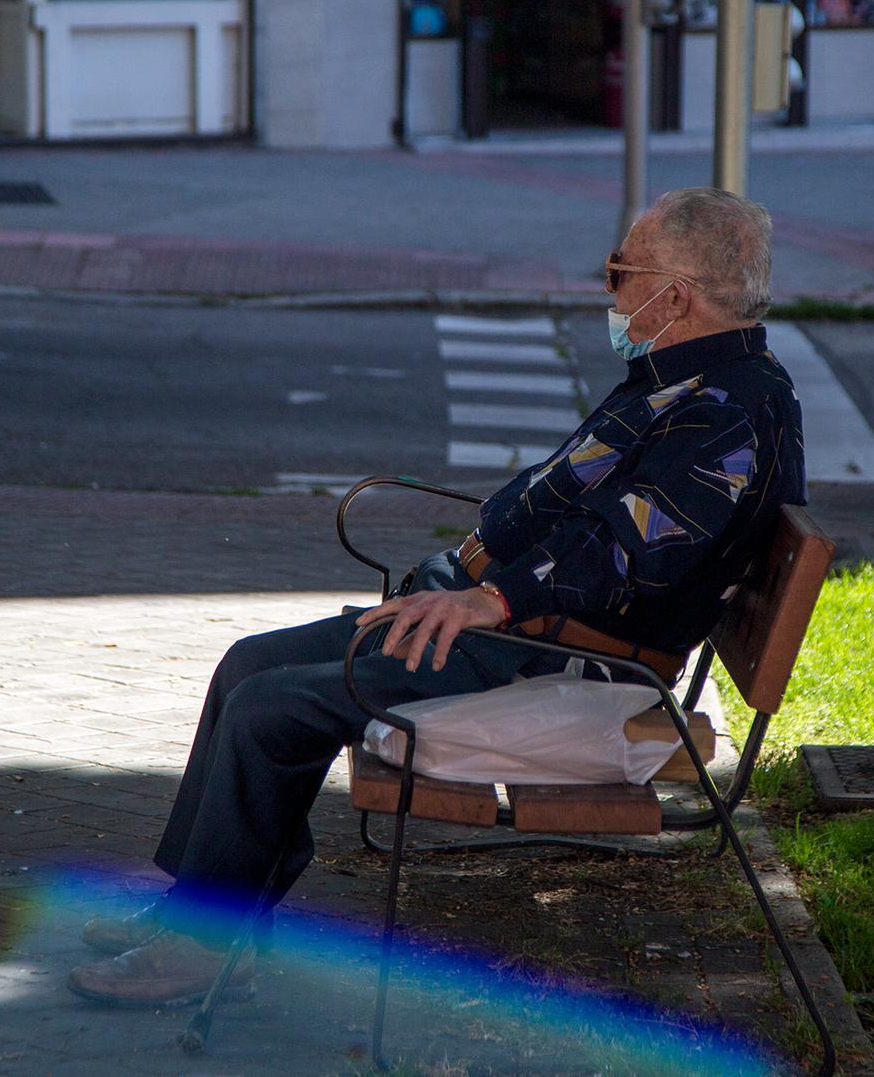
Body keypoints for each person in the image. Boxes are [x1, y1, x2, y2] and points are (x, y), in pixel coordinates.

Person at [67, 188, 806, 1006]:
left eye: (618, 271)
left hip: (561, 662)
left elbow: (631, 553)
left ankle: (202, 949)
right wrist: (471, 580)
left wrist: (488, 601)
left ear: (676, 296)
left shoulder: (732, 409)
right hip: (518, 627)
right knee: (248, 664)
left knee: (273, 708)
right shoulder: (685, 375)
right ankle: (207, 915)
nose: (609, 290)